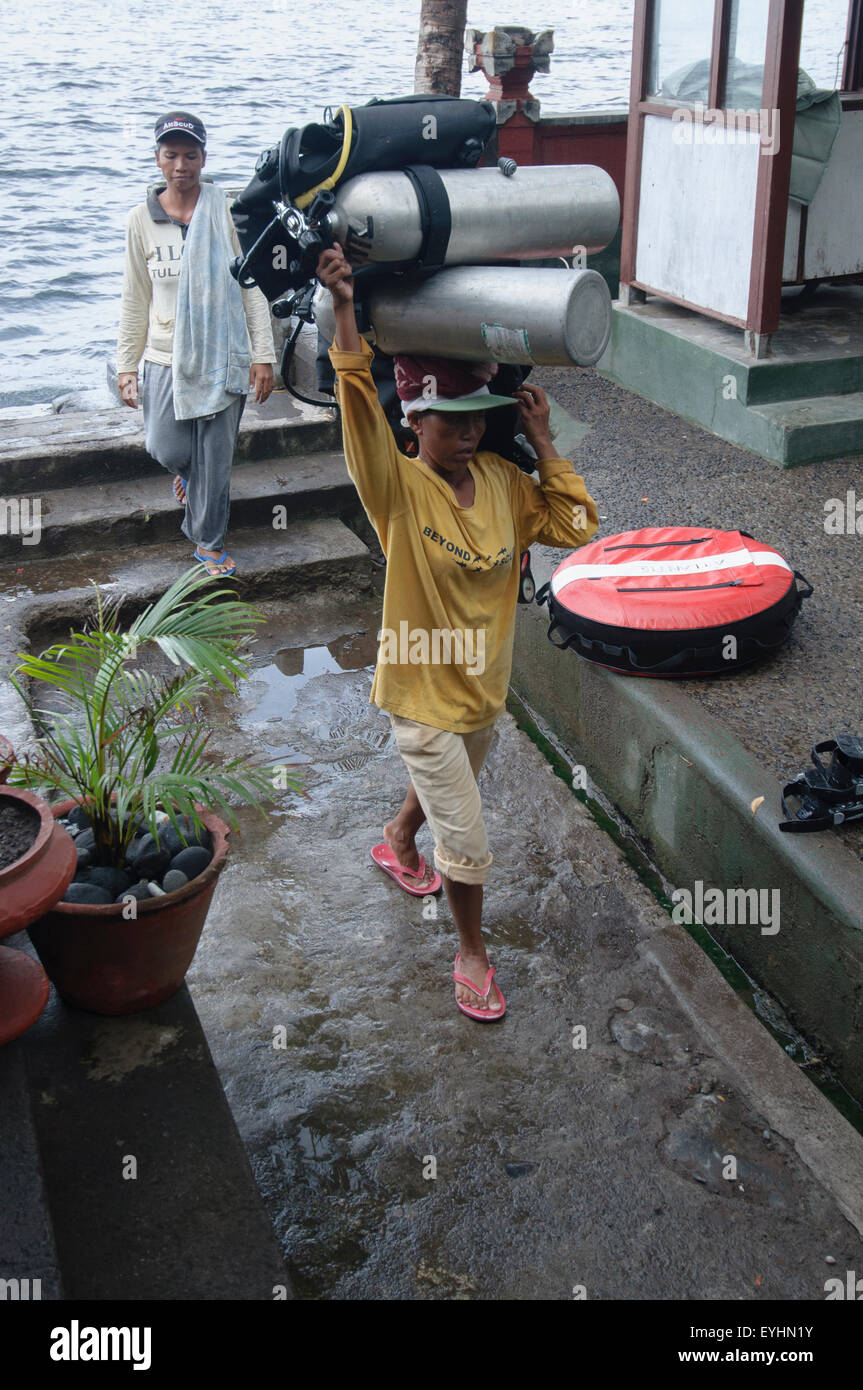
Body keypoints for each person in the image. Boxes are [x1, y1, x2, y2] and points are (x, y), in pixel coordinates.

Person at [317, 243, 599, 1022]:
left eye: (480, 418)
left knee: (449, 792)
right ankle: (471, 952)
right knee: (468, 840)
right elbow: (352, 399)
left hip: (481, 688)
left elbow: (575, 525)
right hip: (417, 690)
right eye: (451, 420)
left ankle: (397, 839)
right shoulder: (397, 490)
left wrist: (542, 445)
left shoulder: (508, 484)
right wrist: (344, 305)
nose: (470, 433)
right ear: (414, 422)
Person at [117, 111, 277, 577]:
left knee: (216, 456)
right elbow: (135, 297)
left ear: (204, 158)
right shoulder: (140, 221)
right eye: (171, 155)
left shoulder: (225, 212)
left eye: (190, 155)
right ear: (158, 159)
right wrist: (128, 365)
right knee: (165, 447)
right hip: (166, 355)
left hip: (223, 353)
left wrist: (262, 355)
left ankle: (208, 541)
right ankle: (187, 478)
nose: (181, 164)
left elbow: (251, 285)